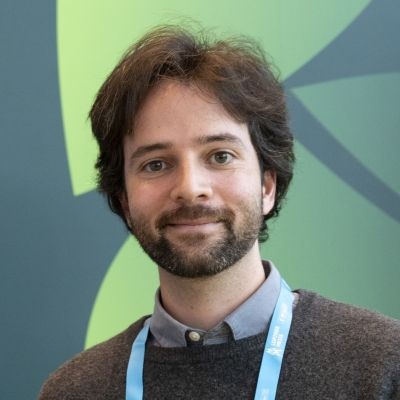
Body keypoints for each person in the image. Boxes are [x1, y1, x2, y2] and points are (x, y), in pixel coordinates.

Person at [39, 25, 400, 400]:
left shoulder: (384, 366)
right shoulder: (74, 390)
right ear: (125, 201)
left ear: (267, 185)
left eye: (220, 156)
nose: (190, 187)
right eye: (156, 164)